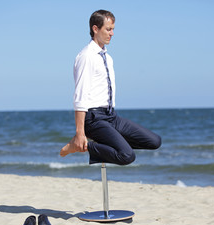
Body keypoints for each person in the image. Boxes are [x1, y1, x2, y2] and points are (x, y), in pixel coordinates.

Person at [60, 10, 161, 165]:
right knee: (127, 156)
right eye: (108, 29)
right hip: (94, 119)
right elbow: (80, 96)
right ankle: (84, 146)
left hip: (111, 116)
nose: (112, 33)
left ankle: (112, 145)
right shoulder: (87, 56)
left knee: (154, 141)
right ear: (95, 29)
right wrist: (80, 133)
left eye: (113, 29)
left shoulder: (108, 57)